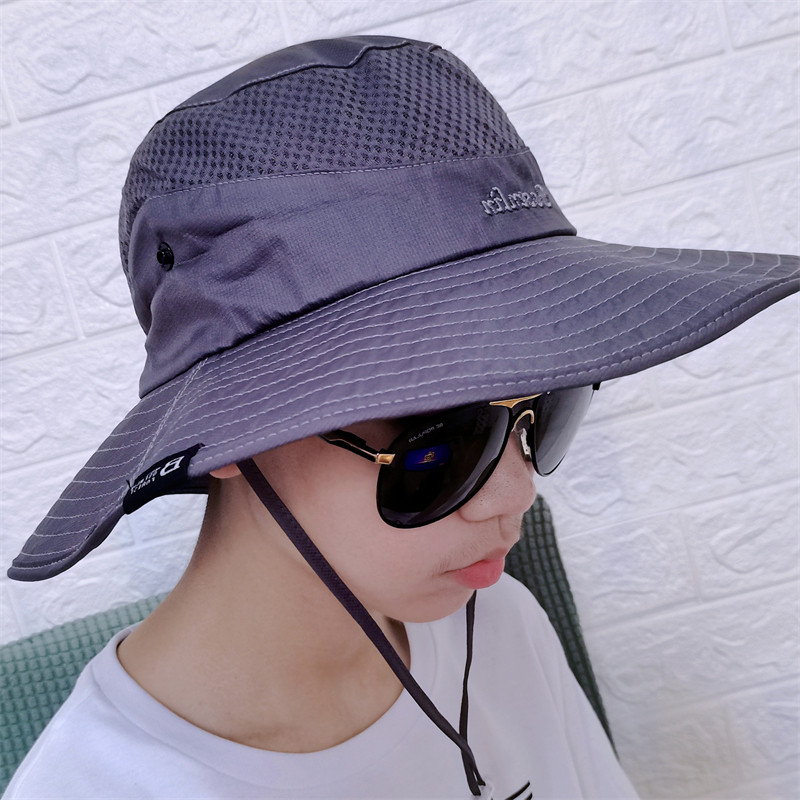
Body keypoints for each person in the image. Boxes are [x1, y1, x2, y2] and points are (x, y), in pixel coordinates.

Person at [4, 35, 798, 799]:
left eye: (543, 409)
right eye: (443, 433)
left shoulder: (501, 628)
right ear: (226, 438)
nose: (516, 493)